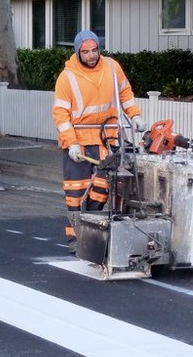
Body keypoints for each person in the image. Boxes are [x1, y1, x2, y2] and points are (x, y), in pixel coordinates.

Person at [52, 30, 145, 253]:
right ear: (78, 52)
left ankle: (92, 232)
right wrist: (71, 142)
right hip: (80, 142)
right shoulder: (67, 77)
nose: (92, 55)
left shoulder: (112, 67)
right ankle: (75, 238)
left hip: (106, 140)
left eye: (94, 51)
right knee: (76, 192)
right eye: (86, 52)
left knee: (101, 190)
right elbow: (61, 115)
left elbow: (125, 94)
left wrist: (135, 116)